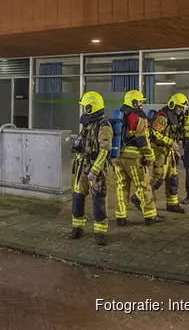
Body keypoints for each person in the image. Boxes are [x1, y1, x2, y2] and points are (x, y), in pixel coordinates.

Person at [69, 91, 112, 245]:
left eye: (85, 107)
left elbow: (105, 150)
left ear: (90, 108)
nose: (83, 110)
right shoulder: (88, 123)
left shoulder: (104, 125)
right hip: (81, 165)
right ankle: (77, 228)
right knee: (78, 197)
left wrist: (95, 169)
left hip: (95, 167)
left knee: (98, 198)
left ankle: (100, 232)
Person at [114, 90, 162, 226]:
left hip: (118, 157)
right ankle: (150, 215)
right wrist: (150, 156)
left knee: (121, 187)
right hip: (134, 158)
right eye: (140, 102)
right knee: (143, 186)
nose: (141, 105)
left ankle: (121, 217)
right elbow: (142, 139)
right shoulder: (139, 117)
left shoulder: (119, 114)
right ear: (134, 102)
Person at [149, 93, 188, 214]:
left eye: (182, 108)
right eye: (179, 107)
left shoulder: (175, 117)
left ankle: (172, 203)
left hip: (169, 152)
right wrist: (170, 142)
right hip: (159, 151)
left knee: (173, 178)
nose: (181, 110)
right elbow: (154, 133)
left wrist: (175, 148)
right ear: (172, 105)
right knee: (158, 178)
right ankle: (140, 198)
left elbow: (174, 133)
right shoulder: (163, 117)